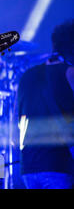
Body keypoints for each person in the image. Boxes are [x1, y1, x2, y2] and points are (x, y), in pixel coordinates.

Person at [17, 19, 74, 189]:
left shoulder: (27, 75)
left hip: (28, 167)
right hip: (57, 165)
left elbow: (17, 119)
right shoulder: (70, 72)